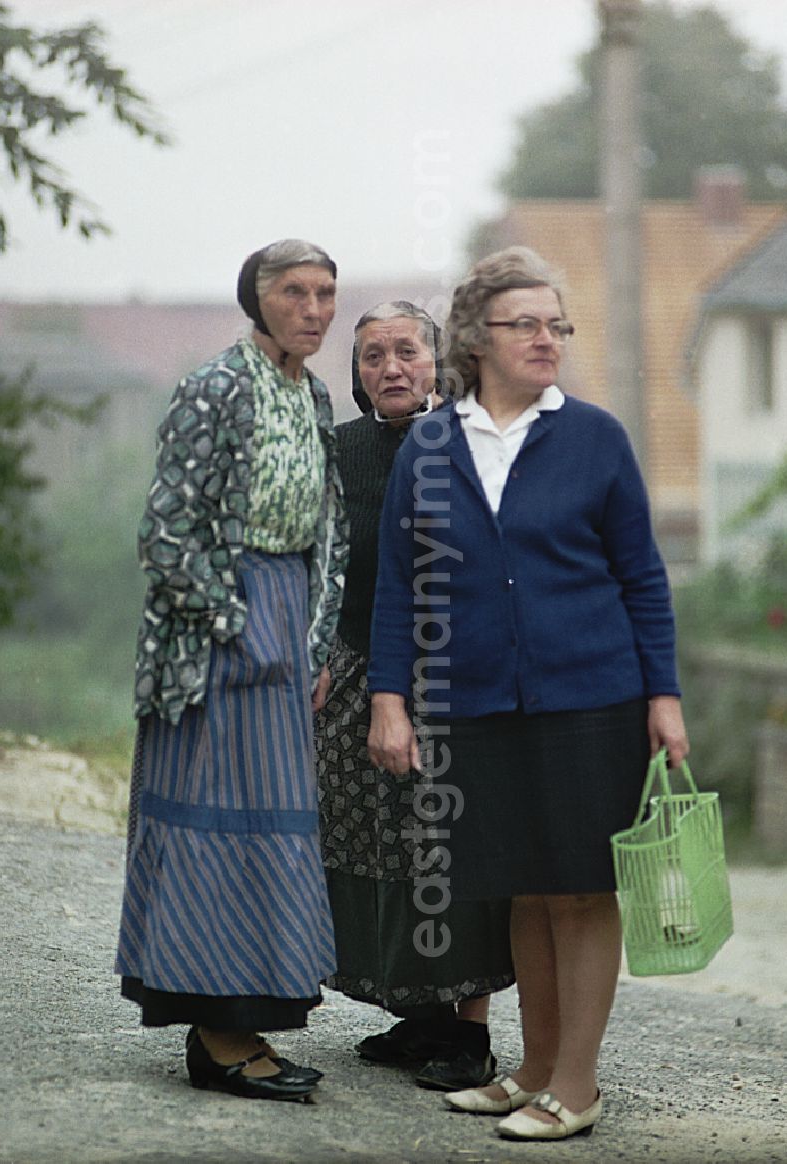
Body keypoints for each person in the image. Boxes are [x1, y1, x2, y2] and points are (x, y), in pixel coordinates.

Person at [367, 247, 689, 1142]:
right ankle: (535, 1070)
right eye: (528, 325)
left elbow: (643, 577)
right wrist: (388, 697)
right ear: (478, 339)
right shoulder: (431, 445)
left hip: (593, 698)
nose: (548, 339)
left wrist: (663, 695)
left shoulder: (595, 437)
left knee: (581, 889)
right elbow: (401, 585)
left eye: (557, 325)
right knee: (522, 888)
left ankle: (576, 1086)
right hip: (471, 701)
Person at [115, 239, 348, 1102]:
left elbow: (331, 530)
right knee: (219, 826)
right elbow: (166, 534)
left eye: (326, 292)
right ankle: (219, 1035)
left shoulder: (313, 394)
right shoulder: (214, 386)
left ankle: (241, 1026)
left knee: (274, 828)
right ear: (257, 301)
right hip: (216, 632)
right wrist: (233, 626)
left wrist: (313, 642)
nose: (315, 309)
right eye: (295, 292)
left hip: (288, 620)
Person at [315, 301, 514, 1092]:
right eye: (371, 356)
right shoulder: (340, 452)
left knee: (448, 843)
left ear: (440, 361)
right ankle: (416, 1013)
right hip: (358, 669)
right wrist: (317, 651)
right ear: (357, 374)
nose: (390, 368)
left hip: (455, 677)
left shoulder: (470, 445)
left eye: (406, 351)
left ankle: (468, 1031)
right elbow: (316, 558)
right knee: (373, 843)